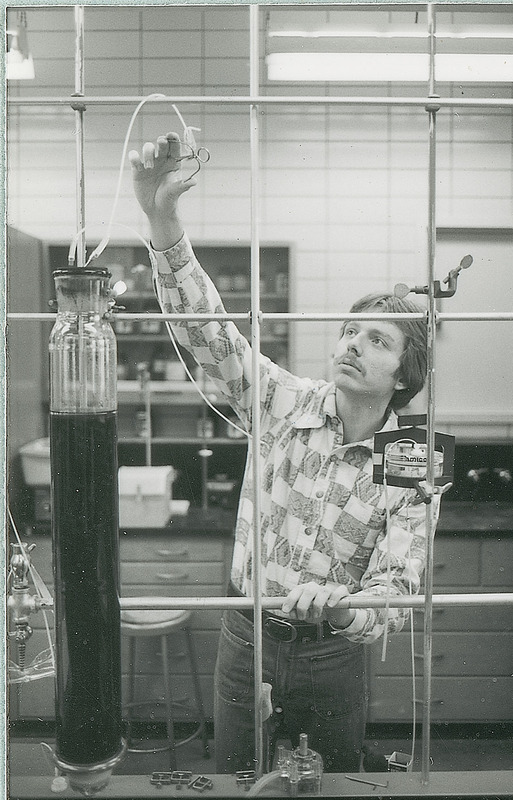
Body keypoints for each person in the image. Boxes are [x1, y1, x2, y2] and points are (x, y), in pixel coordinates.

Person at [129, 132, 440, 774]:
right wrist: (163, 222)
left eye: (377, 341)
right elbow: (210, 338)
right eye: (349, 331)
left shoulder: (415, 458)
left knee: (331, 783)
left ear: (405, 376)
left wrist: (349, 610)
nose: (352, 344)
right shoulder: (282, 402)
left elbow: (399, 582)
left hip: (334, 656)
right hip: (249, 639)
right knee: (237, 778)